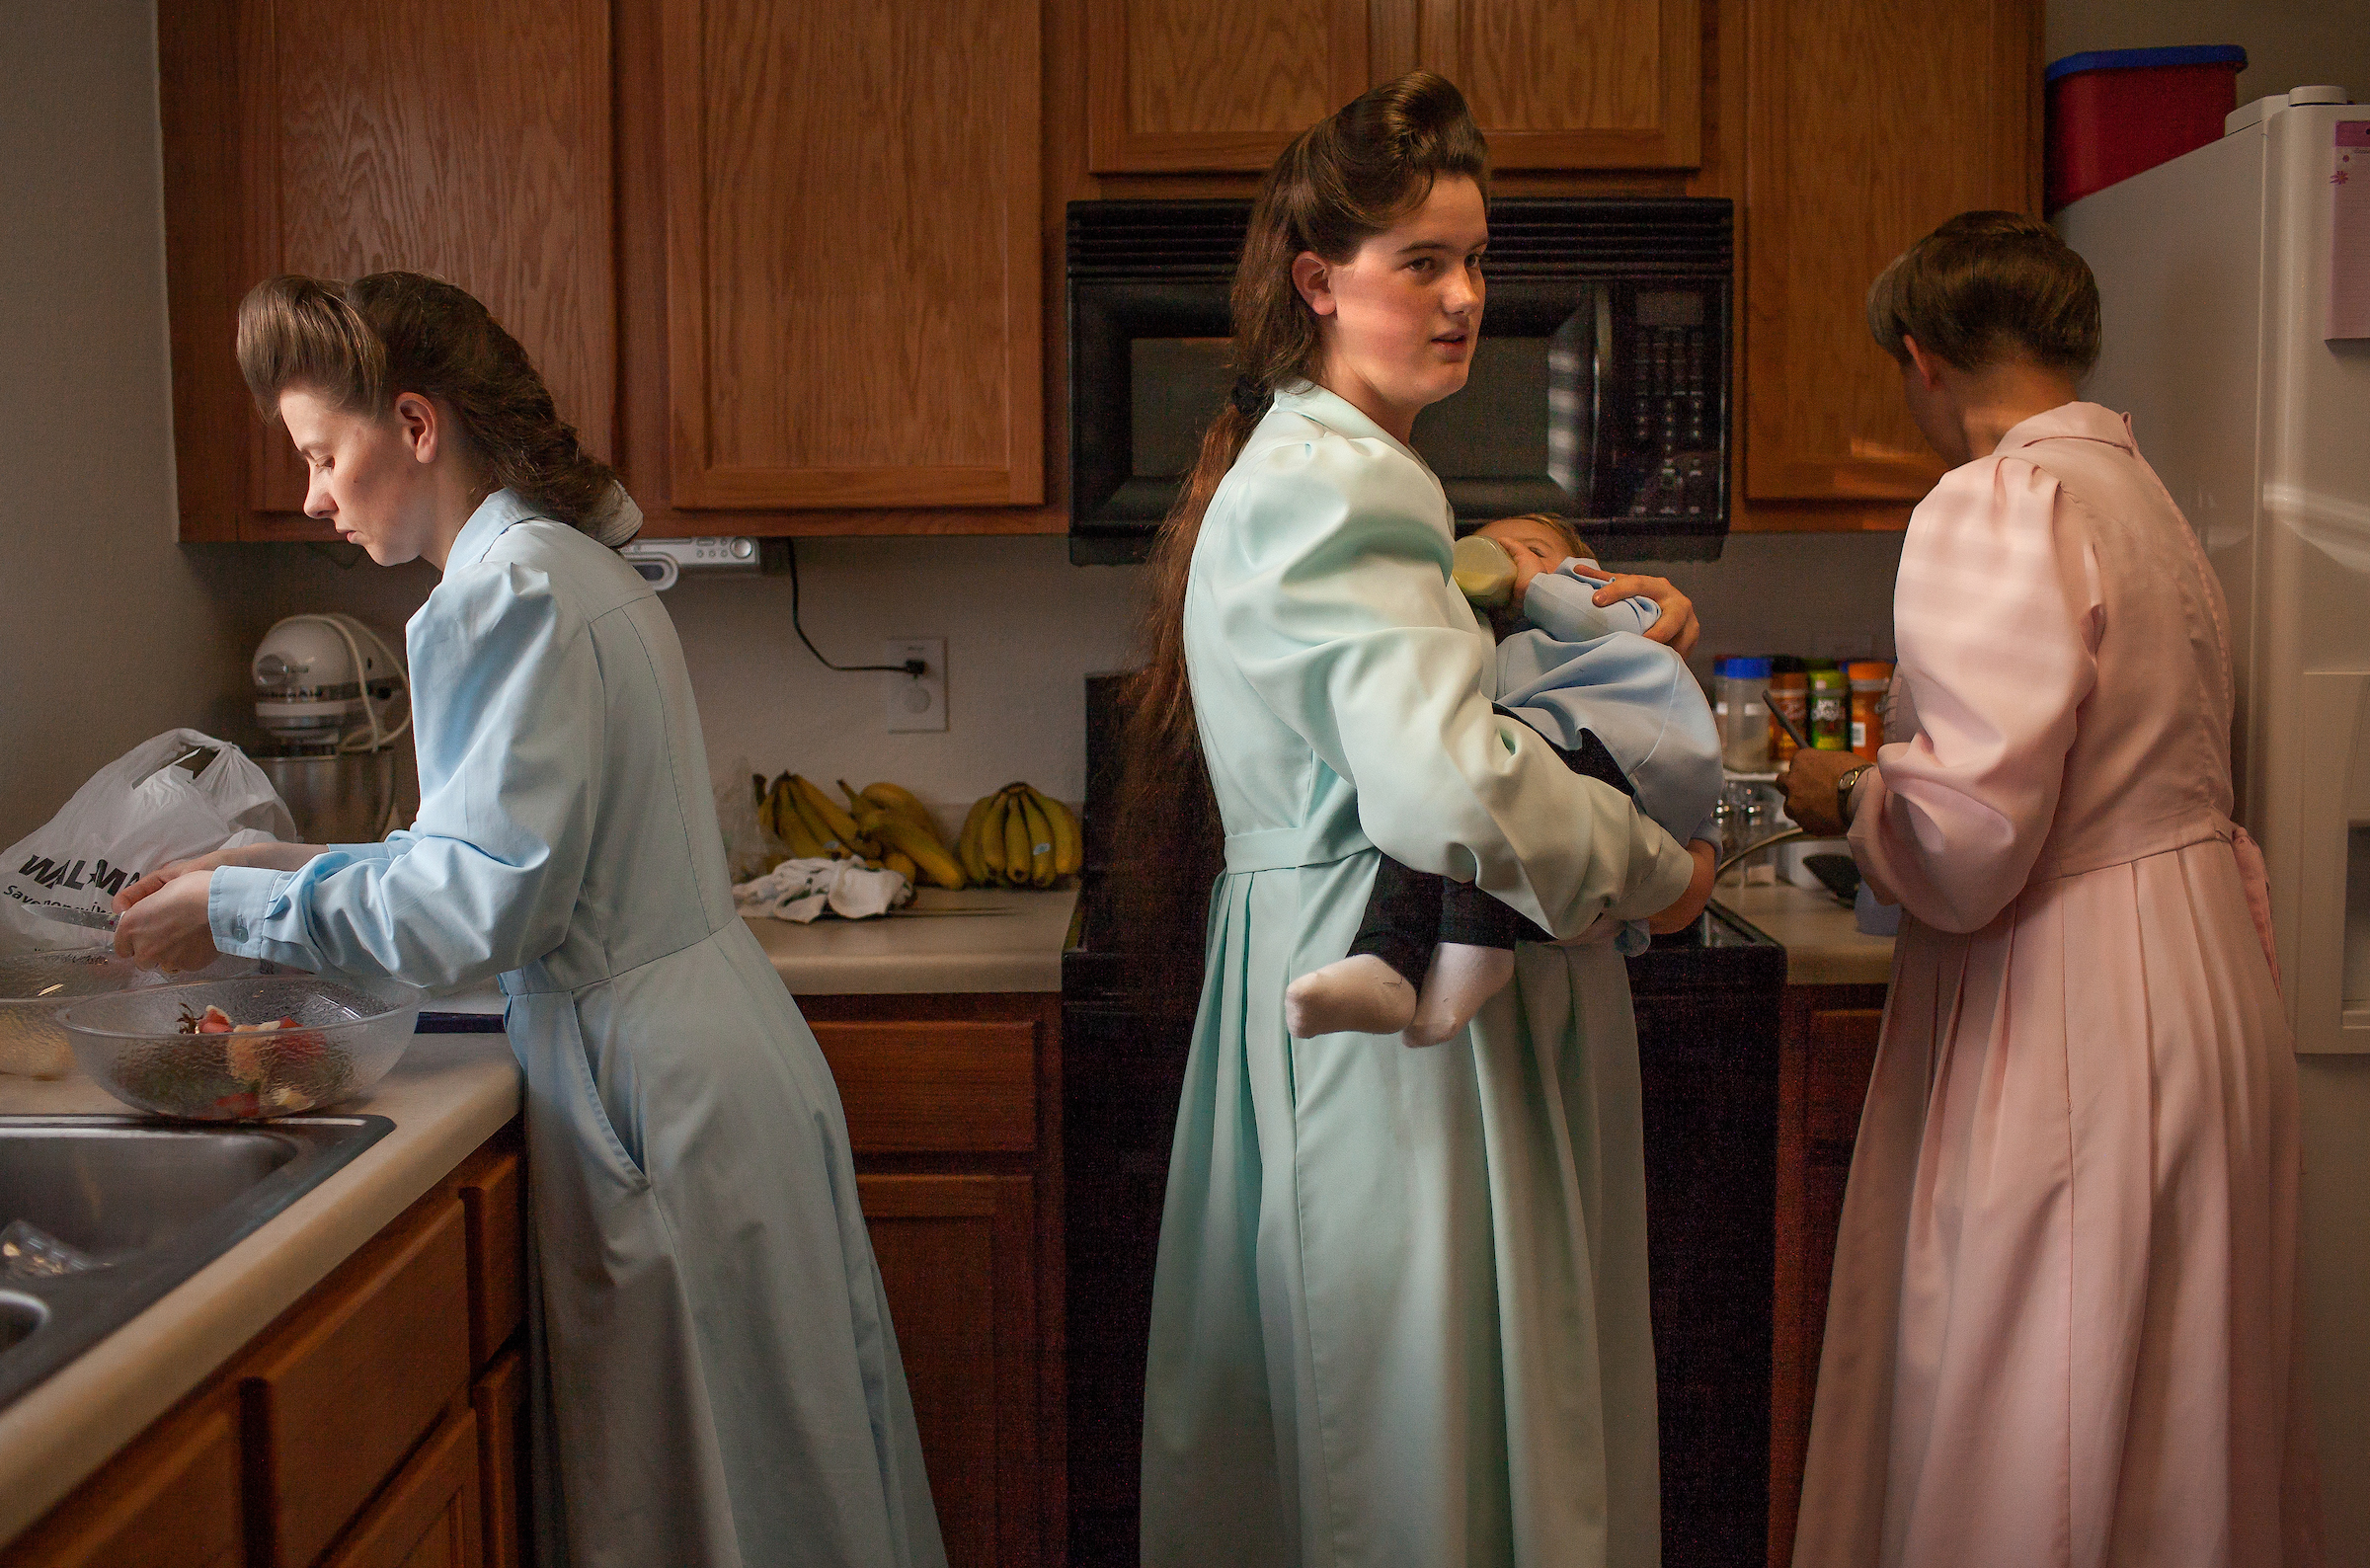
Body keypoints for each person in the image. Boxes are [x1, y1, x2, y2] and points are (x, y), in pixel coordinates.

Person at [114, 274, 946, 1568]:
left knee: (702, 1502)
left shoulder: (502, 596)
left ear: (415, 423)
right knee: (781, 1476)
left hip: (650, 1090)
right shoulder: (560, 567)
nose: (315, 498)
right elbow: (497, 851)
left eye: (326, 456)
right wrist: (287, 858)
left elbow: (477, 909)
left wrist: (237, 908)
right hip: (704, 1055)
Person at [1124, 74, 1718, 1568]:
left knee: (1374, 1438)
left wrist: (1515, 582)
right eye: (1421, 264)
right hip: (1399, 1054)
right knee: (1419, 1462)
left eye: (1475, 262)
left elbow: (1397, 669)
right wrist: (1655, 873)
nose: (1463, 298)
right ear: (1320, 282)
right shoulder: (1339, 488)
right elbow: (1449, 784)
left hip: (1335, 980)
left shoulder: (1331, 473)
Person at [1782, 212, 2323, 1567]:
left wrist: (1849, 794)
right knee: (2174, 1412)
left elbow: (1967, 835)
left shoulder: (1997, 498)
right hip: (2202, 983)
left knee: (2041, 1406)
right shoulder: (2147, 502)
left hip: (2077, 1001)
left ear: (1922, 360)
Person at [1285, 512, 1722, 1046]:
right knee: (1464, 788)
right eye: (1484, 551)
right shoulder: (1471, 648)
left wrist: (1542, 586)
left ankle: (1468, 949)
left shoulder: (1594, 610)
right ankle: (1388, 960)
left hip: (1618, 752)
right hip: (1555, 855)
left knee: (1487, 773)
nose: (1508, 558)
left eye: (1533, 548)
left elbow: (1687, 888)